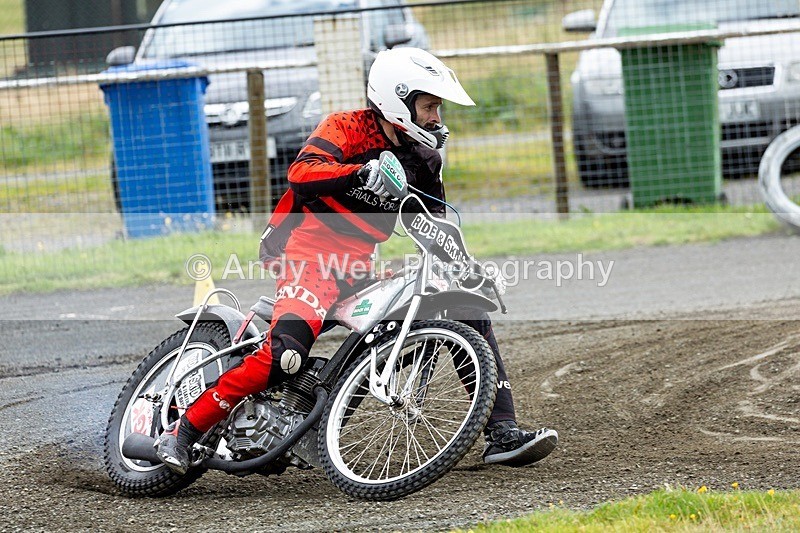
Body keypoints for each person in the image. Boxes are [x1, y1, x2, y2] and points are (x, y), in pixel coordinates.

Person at [156, 47, 558, 474]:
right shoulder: (345, 127)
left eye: (437, 108)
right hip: (304, 252)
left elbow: (435, 228)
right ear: (397, 100)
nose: (437, 118)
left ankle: (502, 432)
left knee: (462, 304)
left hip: (357, 266)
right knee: (284, 356)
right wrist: (358, 172)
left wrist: (467, 269)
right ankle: (180, 432)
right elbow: (301, 173)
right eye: (429, 106)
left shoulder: (426, 161)